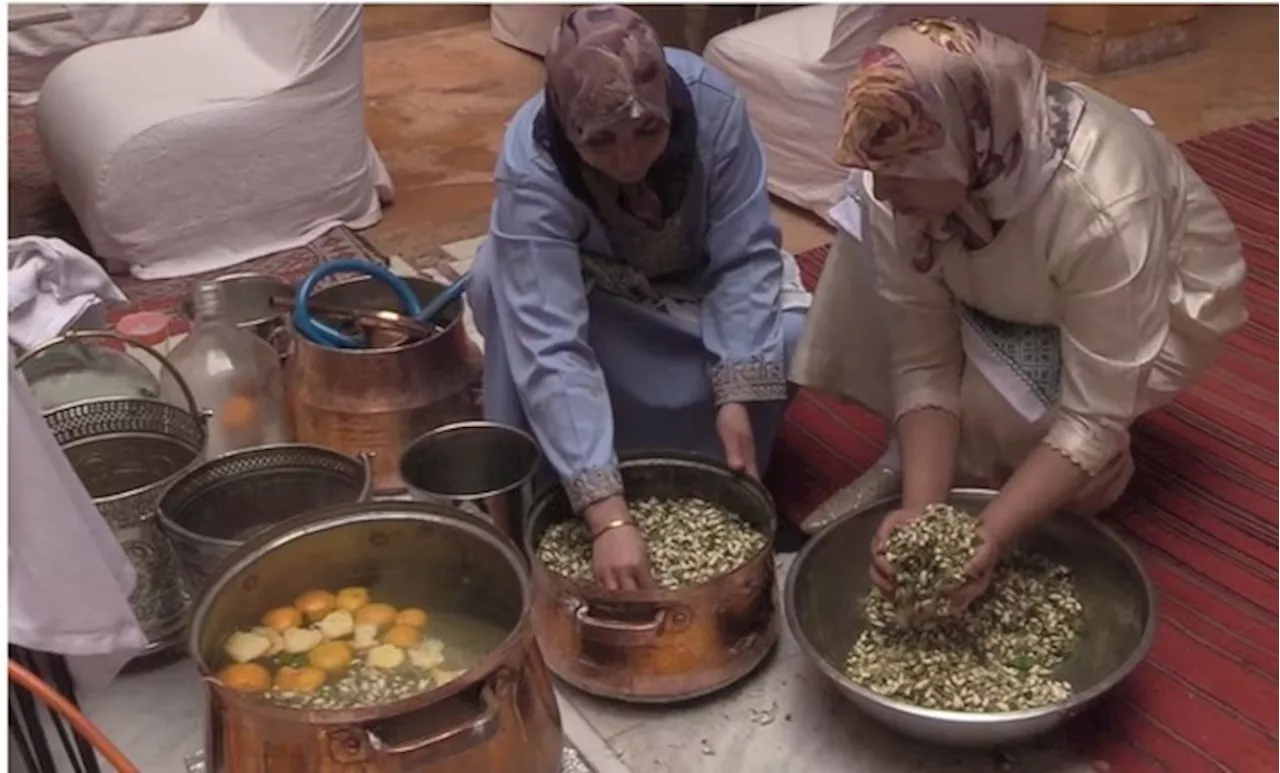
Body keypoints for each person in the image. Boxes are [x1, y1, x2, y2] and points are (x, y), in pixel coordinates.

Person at [791, 18, 1248, 607]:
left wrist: (986, 538)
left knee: (1026, 418)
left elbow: (1091, 414)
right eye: (875, 170)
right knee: (860, 265)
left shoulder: (1101, 206)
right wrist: (922, 512)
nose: (882, 191)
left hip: (1159, 302)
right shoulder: (917, 174)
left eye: (899, 174)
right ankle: (908, 461)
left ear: (963, 150)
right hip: (1009, 278)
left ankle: (1100, 473)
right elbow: (924, 360)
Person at [469, 5, 811, 590]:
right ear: (567, 126)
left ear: (670, 111)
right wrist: (607, 518)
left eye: (648, 130)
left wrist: (736, 392)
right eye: (601, 141)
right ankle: (564, 481)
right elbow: (550, 342)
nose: (629, 162)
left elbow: (746, 256)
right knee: (496, 284)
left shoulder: (712, 105)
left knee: (788, 337)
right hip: (594, 294)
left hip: (694, 287)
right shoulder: (533, 161)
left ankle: (711, 463)